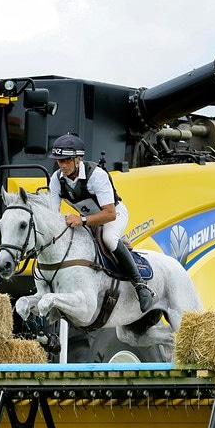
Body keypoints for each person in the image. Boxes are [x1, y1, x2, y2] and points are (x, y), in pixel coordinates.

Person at [46, 133, 154, 312]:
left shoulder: (96, 175)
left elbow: (110, 213)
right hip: (88, 221)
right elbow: (52, 213)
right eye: (59, 161)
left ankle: (141, 287)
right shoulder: (56, 179)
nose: (63, 165)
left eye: (67, 160)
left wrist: (81, 220)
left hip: (114, 214)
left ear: (78, 159)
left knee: (110, 238)